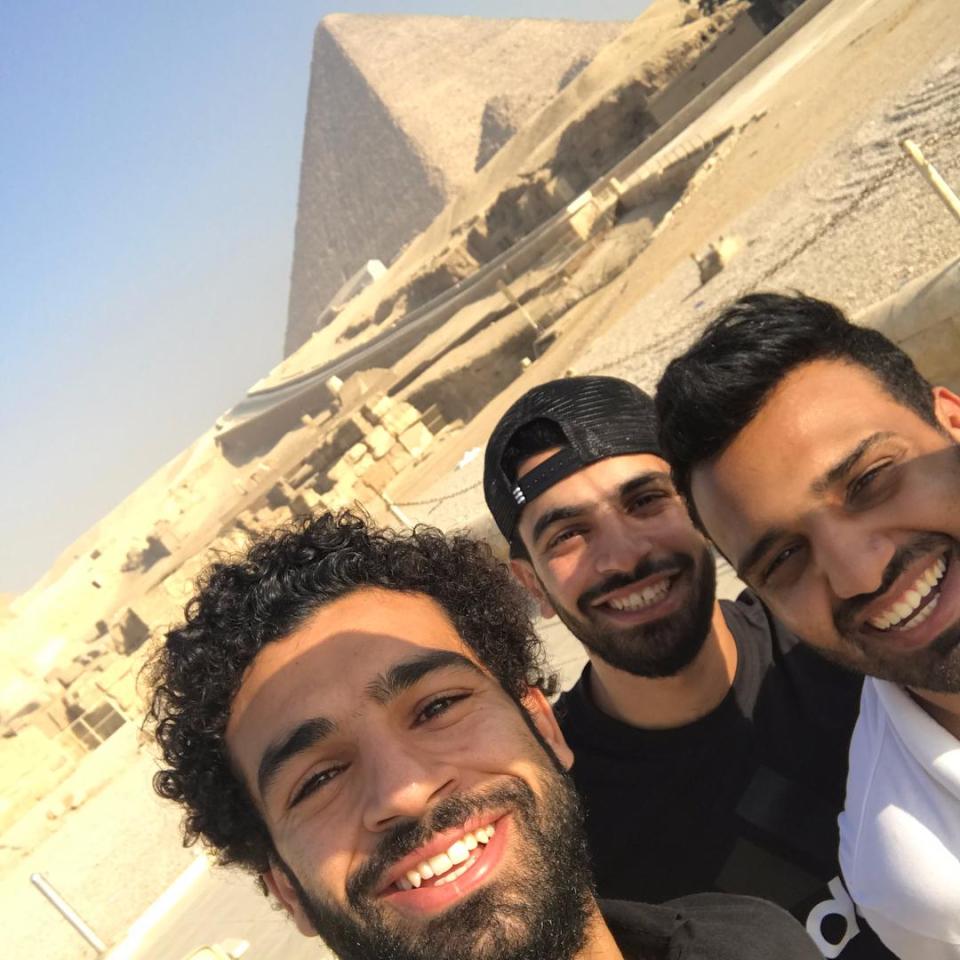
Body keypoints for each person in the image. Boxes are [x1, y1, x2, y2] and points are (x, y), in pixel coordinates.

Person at [145, 511, 820, 960]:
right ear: (288, 890)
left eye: (437, 707)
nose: (406, 791)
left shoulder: (748, 939)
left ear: (543, 723)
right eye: (318, 778)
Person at [483, 376, 888, 959]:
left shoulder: (849, 640)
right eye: (569, 535)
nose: (624, 556)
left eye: (645, 500)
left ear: (697, 507)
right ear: (532, 585)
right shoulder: (559, 827)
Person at [655, 292, 960, 959]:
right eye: (786, 558)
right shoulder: (911, 870)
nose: (858, 574)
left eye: (874, 479)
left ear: (953, 421)